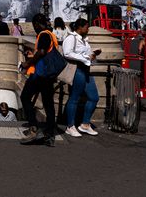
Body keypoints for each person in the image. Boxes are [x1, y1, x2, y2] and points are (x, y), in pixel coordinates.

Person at [20, 13, 58, 147]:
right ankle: (49, 135)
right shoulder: (51, 34)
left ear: (36, 24)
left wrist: (28, 62)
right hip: (49, 75)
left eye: (34, 25)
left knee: (25, 97)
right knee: (48, 105)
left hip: (40, 75)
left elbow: (41, 52)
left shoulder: (43, 35)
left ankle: (34, 128)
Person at [62, 18, 101, 138]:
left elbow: (86, 55)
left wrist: (92, 55)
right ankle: (70, 126)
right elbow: (67, 53)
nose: (87, 29)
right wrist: (84, 58)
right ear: (80, 27)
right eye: (86, 27)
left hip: (85, 69)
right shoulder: (71, 38)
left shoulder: (84, 40)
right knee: (75, 97)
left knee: (94, 97)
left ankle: (85, 124)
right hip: (77, 69)